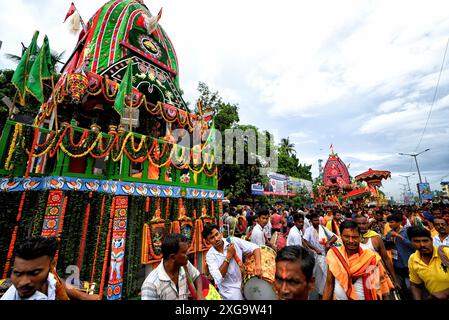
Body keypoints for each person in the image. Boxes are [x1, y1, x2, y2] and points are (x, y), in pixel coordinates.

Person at [1, 236, 99, 300]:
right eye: (18, 273)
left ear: (52, 264)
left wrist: (84, 296)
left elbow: (56, 281)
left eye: (34, 272)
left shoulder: (51, 278)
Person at [323, 221, 391, 300]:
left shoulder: (371, 258)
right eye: (346, 237)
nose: (351, 241)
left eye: (355, 237)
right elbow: (329, 284)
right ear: (341, 236)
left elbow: (378, 287)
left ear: (360, 237)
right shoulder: (334, 255)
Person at [202, 223, 261, 300]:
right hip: (228, 292)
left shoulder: (233, 241)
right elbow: (218, 277)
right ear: (207, 241)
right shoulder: (210, 255)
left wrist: (258, 265)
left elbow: (255, 247)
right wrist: (228, 257)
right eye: (212, 238)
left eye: (217, 234)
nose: (216, 239)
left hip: (244, 284)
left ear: (220, 233)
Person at [141, 233, 204, 300]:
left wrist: (200, 294)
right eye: (184, 252)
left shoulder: (184, 265)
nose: (188, 254)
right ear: (173, 257)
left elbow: (197, 276)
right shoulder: (151, 285)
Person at [407, 226, 449, 300]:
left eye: (425, 241)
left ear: (431, 240)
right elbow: (414, 284)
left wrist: (445, 292)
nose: (422, 245)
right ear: (411, 242)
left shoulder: (445, 252)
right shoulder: (413, 259)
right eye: (417, 241)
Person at [303, 213, 338, 297]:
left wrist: (328, 243)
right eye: (315, 220)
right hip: (315, 256)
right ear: (311, 221)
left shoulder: (323, 228)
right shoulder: (309, 230)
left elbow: (335, 237)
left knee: (325, 274)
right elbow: (305, 241)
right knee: (315, 274)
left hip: (324, 255)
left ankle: (323, 292)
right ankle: (317, 291)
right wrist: (314, 249)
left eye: (317, 220)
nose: (317, 222)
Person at [385, 214, 415, 300]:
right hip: (397, 266)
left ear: (399, 222)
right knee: (399, 288)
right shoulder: (389, 234)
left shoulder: (407, 232)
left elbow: (413, 245)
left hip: (409, 265)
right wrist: (388, 242)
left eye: (392, 222)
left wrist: (399, 236)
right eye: (389, 222)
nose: (390, 224)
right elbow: (388, 247)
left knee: (411, 289)